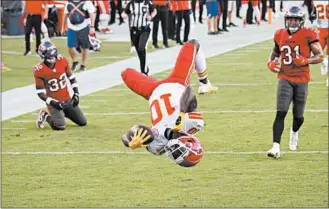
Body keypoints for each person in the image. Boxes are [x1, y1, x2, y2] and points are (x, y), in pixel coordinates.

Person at [121, 40, 214, 166]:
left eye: (175, 156)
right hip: (177, 82)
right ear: (188, 141)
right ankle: (205, 82)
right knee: (193, 44)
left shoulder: (157, 146)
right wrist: (182, 113)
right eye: (179, 152)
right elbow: (189, 93)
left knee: (125, 73)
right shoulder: (193, 124)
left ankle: (145, 73)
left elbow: (130, 135)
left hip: (151, 91)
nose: (172, 153)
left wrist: (130, 142)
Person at [266, 6, 324, 158]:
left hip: (302, 79)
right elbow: (274, 53)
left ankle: (294, 131)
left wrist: (306, 60)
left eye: (295, 19)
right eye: (290, 19)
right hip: (285, 78)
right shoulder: (279, 34)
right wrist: (270, 63)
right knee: (281, 111)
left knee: (298, 116)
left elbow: (320, 55)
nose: (292, 22)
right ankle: (275, 147)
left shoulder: (307, 34)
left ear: (301, 21)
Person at [34, 40, 87, 130]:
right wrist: (54, 103)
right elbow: (40, 93)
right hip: (54, 102)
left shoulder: (62, 60)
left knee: (82, 122)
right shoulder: (39, 69)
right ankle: (45, 115)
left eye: (53, 51)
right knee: (60, 126)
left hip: (67, 99)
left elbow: (71, 78)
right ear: (43, 55)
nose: (53, 55)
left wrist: (76, 93)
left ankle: (63, 113)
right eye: (49, 53)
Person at [122, 0, 157, 75]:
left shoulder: (147, 2)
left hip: (145, 28)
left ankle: (143, 71)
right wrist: (123, 15)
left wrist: (151, 16)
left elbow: (154, 10)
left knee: (141, 47)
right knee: (139, 51)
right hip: (134, 29)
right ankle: (144, 67)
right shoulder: (131, 3)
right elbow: (125, 12)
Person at [63, 0, 96, 72]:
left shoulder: (87, 2)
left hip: (83, 26)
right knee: (70, 46)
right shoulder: (68, 2)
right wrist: (63, 26)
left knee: (85, 46)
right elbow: (65, 14)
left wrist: (92, 26)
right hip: (71, 27)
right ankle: (75, 62)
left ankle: (83, 65)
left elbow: (92, 14)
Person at [313, 0, 329, 86]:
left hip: (321, 28)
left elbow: (313, 14)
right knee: (317, 53)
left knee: (316, 52)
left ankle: (324, 61)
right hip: (323, 28)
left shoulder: (316, 1)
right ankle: (324, 61)